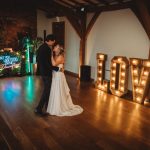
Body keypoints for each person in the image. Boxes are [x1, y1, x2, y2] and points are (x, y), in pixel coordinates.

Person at [47, 43, 83, 116]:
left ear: (59, 49)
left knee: (59, 90)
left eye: (56, 46)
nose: (54, 47)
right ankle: (55, 106)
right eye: (55, 46)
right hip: (55, 74)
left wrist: (50, 55)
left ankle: (60, 107)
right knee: (55, 89)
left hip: (59, 76)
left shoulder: (60, 56)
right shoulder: (56, 55)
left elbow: (53, 64)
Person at [35, 34, 60, 116]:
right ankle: (39, 108)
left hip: (42, 72)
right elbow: (47, 63)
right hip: (46, 72)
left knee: (47, 90)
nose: (53, 43)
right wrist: (55, 68)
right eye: (53, 41)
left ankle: (47, 107)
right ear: (49, 40)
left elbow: (37, 59)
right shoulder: (47, 49)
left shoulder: (41, 47)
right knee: (46, 91)